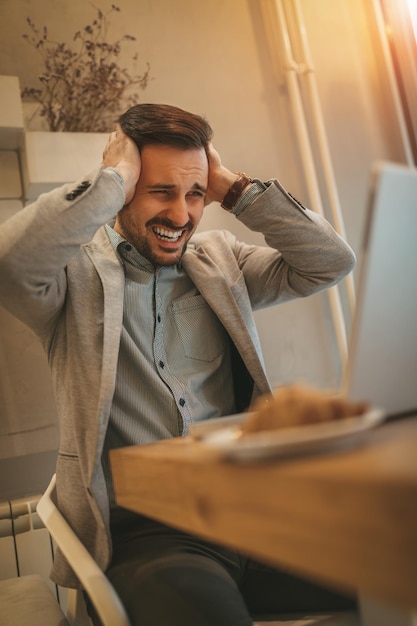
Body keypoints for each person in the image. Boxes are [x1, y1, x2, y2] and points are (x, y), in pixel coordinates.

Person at [0, 103, 357, 625]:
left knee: (392, 561)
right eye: (160, 191)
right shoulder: (71, 277)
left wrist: (232, 188)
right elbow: (12, 264)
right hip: (152, 536)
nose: (182, 215)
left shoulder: (222, 259)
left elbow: (331, 261)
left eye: (194, 194)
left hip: (256, 517)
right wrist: (112, 179)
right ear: (126, 190)